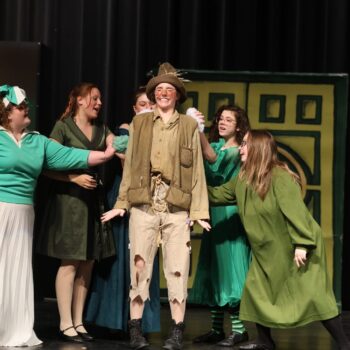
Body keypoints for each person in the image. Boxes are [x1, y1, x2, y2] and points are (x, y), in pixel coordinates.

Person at [101, 62, 211, 350]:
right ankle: (135, 330)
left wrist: (199, 211)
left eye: (168, 90)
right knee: (139, 265)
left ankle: (176, 330)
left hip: (176, 205)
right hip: (145, 202)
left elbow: (197, 168)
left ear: (177, 95)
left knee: (177, 268)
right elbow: (132, 165)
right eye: (159, 90)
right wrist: (122, 202)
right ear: (153, 95)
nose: (163, 94)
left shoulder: (187, 125)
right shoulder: (140, 123)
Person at [207, 130, 350, 350]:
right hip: (266, 250)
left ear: (258, 148)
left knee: (315, 295)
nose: (241, 148)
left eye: (245, 144)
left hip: (294, 246)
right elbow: (217, 195)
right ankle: (265, 341)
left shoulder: (279, 177)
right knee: (256, 290)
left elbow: (297, 213)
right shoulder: (243, 178)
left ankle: (343, 343)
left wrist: (302, 244)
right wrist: (189, 189)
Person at [0, 84, 116, 347]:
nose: (26, 109)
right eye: (20, 107)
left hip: (23, 214)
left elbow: (70, 155)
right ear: (7, 113)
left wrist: (107, 154)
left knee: (16, 271)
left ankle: (13, 328)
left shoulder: (36, 141)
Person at [36, 82, 116, 343]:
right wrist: (73, 178)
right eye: (94, 98)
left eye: (100, 99)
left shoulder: (102, 128)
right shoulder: (63, 127)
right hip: (69, 202)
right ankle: (65, 322)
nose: (99, 103)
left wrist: (123, 137)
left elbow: (120, 144)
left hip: (93, 202)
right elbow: (45, 164)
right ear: (80, 100)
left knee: (88, 261)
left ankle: (79, 321)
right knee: (70, 260)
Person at [85, 86, 161, 335]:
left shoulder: (161, 130)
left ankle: (141, 321)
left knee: (144, 257)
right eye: (142, 104)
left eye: (150, 104)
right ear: (134, 108)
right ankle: (113, 318)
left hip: (151, 196)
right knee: (120, 258)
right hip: (125, 194)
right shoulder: (126, 129)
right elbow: (126, 160)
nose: (147, 108)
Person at [188, 104, 251, 347]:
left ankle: (239, 329)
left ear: (238, 126)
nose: (223, 123)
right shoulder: (214, 145)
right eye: (220, 119)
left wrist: (198, 130)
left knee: (231, 271)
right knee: (215, 271)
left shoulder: (236, 151)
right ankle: (216, 329)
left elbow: (214, 162)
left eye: (229, 120)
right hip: (211, 213)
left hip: (230, 214)